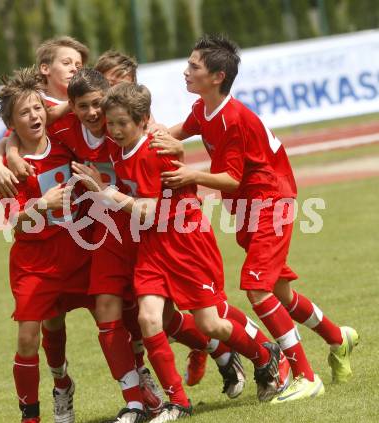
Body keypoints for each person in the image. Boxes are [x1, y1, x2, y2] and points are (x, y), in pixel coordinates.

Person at [150, 34, 359, 403]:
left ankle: (305, 376)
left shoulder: (234, 119)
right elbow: (172, 134)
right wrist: (133, 136)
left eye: (193, 66)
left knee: (257, 288)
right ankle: (337, 338)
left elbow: (231, 178)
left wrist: (191, 175)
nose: (186, 71)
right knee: (279, 291)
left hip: (271, 203)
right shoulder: (203, 109)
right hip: (250, 209)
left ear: (216, 76)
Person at [74, 82, 284, 423]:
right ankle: (178, 402)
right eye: (111, 124)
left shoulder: (158, 150)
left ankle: (264, 354)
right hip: (153, 247)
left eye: (121, 123)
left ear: (143, 121)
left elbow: (150, 211)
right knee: (148, 318)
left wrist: (105, 191)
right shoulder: (119, 147)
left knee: (210, 323)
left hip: (186, 244)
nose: (113, 130)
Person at [0, 67, 94, 423]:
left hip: (80, 252)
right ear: (11, 123)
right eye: (24, 112)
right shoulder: (9, 169)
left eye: (37, 108)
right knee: (27, 337)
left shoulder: (64, 142)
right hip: (35, 262)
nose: (34, 115)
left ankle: (141, 394)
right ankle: (36, 411)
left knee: (114, 314)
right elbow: (12, 219)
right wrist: (42, 205)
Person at [0, 36, 89, 199]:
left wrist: (148, 122)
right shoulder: (36, 106)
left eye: (78, 65)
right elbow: (11, 136)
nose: (74, 69)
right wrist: (0, 162)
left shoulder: (88, 103)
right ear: (45, 68)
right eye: (66, 63)